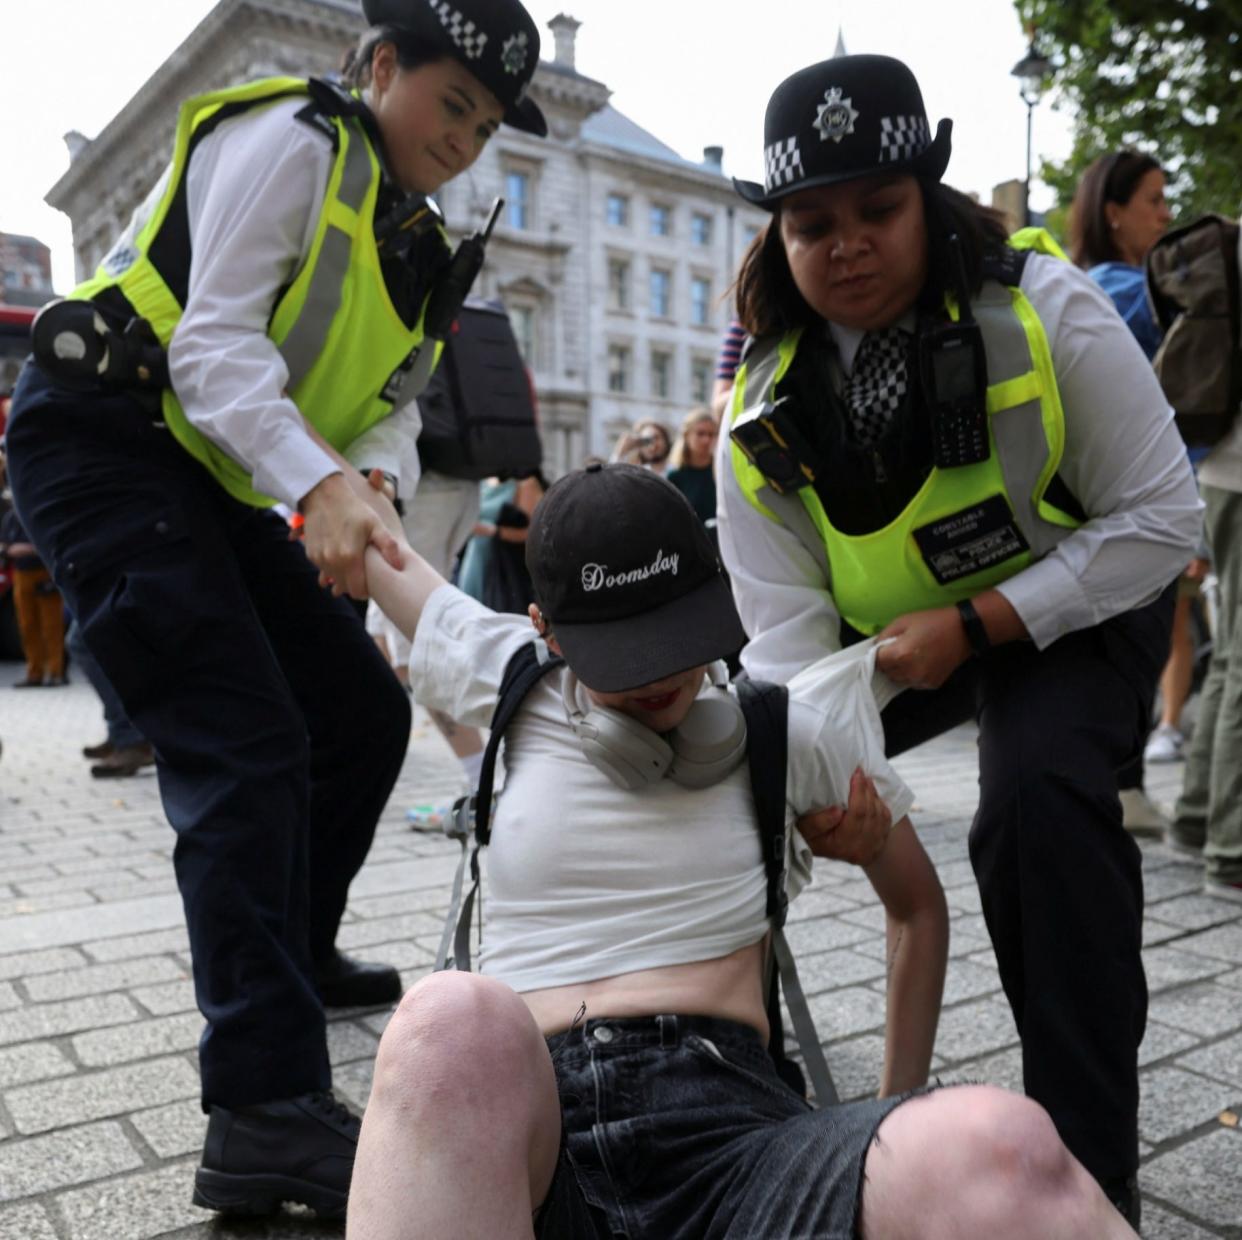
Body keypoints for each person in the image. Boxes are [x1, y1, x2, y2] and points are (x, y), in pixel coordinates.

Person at [4, 0, 548, 1218]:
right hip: (103, 435)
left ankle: (291, 958)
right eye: (450, 103)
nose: (465, 138)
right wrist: (320, 487)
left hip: (206, 471)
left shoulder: (419, 235)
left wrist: (374, 494)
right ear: (381, 64)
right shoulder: (299, 143)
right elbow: (212, 347)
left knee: (357, 711)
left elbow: (397, 403)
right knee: (242, 738)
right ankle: (261, 1106)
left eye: (486, 124)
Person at [347, 461, 1132, 1240]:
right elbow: (377, 548)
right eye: (626, 652)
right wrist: (344, 488)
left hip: (736, 1139)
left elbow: (919, 909)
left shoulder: (784, 727)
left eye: (676, 635)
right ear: (544, 627)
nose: (660, 675)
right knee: (444, 1020)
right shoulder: (512, 676)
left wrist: (889, 1115)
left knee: (1004, 1147)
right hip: (531, 1141)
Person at [715, 54, 1201, 1227]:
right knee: (730, 782)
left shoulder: (1049, 309)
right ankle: (730, 1118)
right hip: (894, 643)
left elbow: (1164, 522)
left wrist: (982, 620)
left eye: (879, 210)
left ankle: (1086, 1174)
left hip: (1081, 601)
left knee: (1036, 807)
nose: (847, 246)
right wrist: (822, 783)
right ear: (777, 237)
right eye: (811, 223)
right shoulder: (761, 406)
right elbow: (783, 643)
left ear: (926, 201)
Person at [1070, 151, 1206, 809]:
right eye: (1154, 199)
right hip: (1138, 500)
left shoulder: (1078, 288)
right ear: (1113, 212)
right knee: (1137, 639)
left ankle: (1120, 781)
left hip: (1096, 502)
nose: (1167, 213)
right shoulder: (1130, 292)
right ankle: (1122, 785)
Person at [1168, 215, 1242, 902]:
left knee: (1230, 658)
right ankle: (1232, 852)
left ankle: (1195, 821)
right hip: (1240, 479)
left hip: (1220, 473)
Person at [0, 499, 67, 688]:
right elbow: (5, 545)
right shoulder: (10, 518)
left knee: (51, 625)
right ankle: (34, 673)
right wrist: (10, 550)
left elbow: (50, 544)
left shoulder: (40, 513)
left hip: (44, 573)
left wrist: (26, 549)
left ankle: (55, 672)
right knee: (27, 626)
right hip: (20, 574)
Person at [665, 406, 719, 525]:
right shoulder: (675, 476)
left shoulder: (720, 473)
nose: (706, 440)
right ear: (686, 435)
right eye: (700, 434)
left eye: (711, 434)